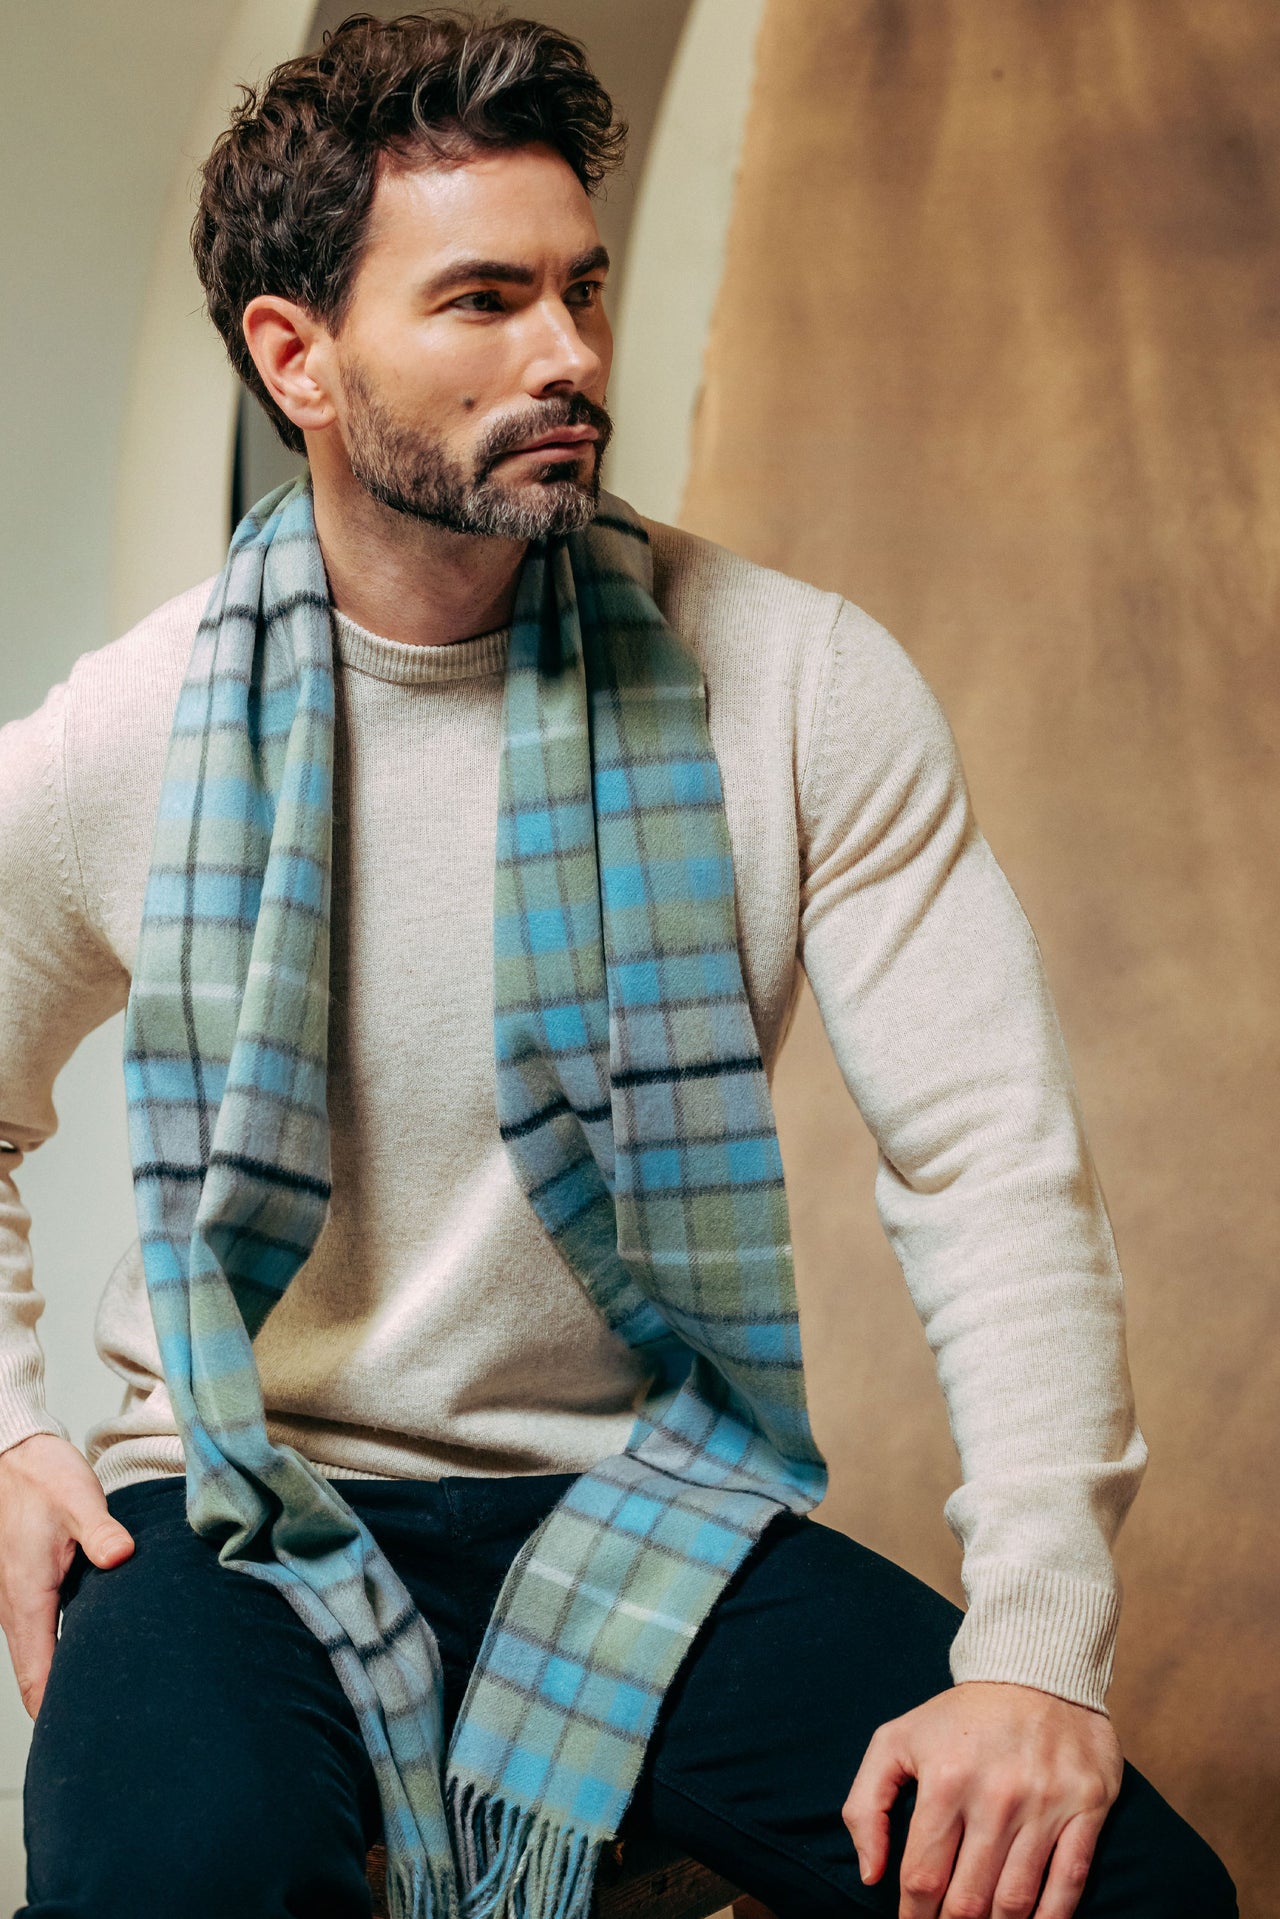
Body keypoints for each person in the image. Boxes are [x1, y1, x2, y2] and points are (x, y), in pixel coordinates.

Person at [0, 12, 1236, 1919]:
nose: (571, 353)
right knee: (167, 1881)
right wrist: (9, 1437)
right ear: (296, 358)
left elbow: (990, 1167)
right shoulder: (131, 731)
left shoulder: (800, 684)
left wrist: (1035, 1647)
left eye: (579, 287)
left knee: (1132, 1897)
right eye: (482, 301)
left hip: (658, 1500)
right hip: (239, 1493)